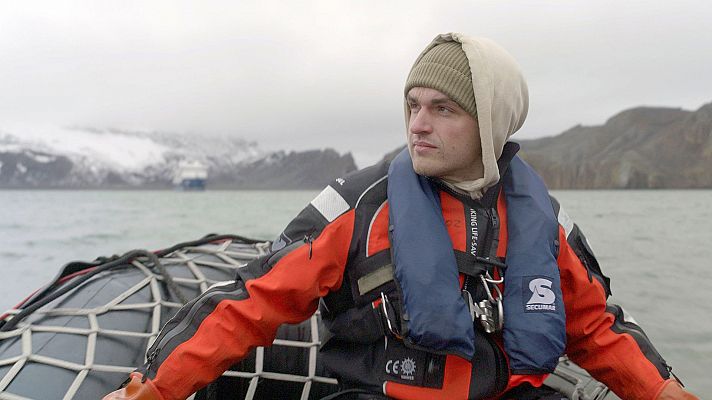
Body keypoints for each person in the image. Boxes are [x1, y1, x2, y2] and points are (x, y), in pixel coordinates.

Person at [104, 33, 698, 400]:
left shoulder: (544, 222)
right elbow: (251, 302)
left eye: (443, 109)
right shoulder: (359, 207)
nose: (418, 124)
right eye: (413, 105)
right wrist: (152, 390)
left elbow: (594, 327)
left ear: (490, 123)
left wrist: (666, 393)